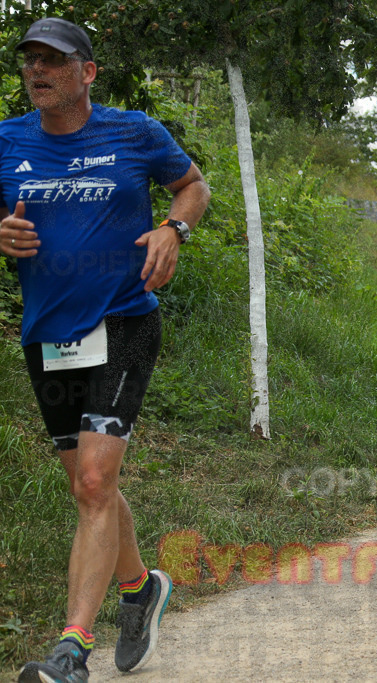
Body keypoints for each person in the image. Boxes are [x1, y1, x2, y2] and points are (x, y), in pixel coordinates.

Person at [1, 18, 210, 682]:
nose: (38, 70)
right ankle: (139, 588)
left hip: (123, 321)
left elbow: (193, 185)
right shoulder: (6, 140)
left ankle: (71, 650)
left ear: (87, 72)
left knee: (94, 481)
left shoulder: (134, 132)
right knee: (88, 484)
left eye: (53, 61)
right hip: (49, 331)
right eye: (30, 59)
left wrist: (174, 228)